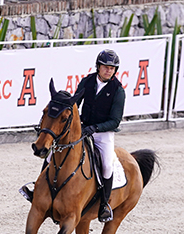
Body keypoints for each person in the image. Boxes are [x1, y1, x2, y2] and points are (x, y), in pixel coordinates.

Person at [19, 49, 125, 224]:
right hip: (82, 128)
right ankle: (37, 190)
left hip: (103, 133)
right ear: (98, 67)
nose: (109, 70)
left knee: (106, 164)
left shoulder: (118, 91)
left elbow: (115, 121)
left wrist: (94, 128)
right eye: (106, 67)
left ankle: (104, 204)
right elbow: (75, 105)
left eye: (112, 68)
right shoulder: (87, 81)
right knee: (52, 153)